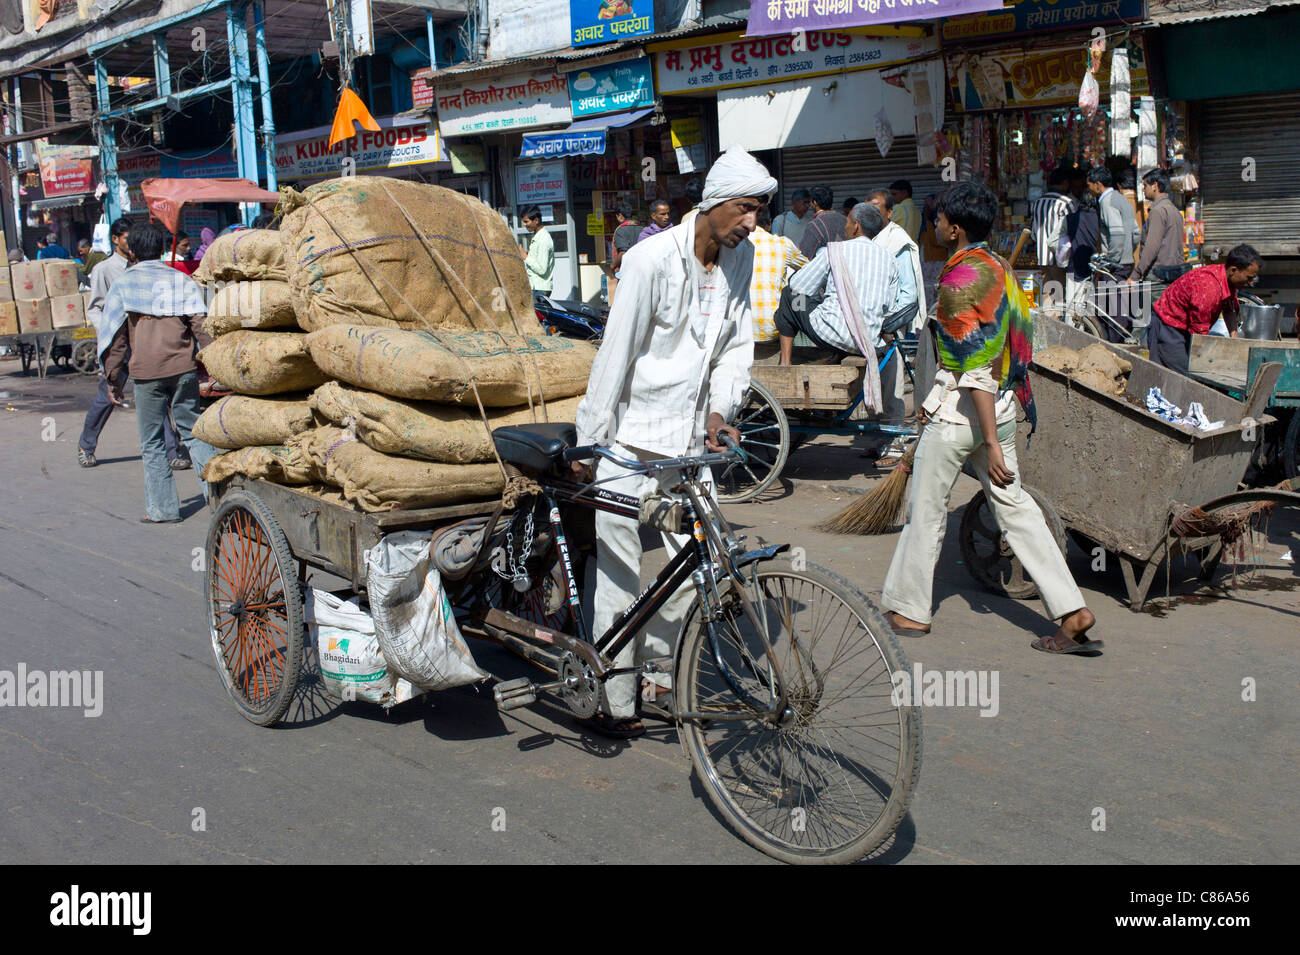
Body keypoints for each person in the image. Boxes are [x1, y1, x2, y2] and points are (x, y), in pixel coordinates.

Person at [573, 145, 776, 739]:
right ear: (713, 204)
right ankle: (613, 695)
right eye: (743, 209)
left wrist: (720, 411)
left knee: (695, 569)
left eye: (759, 211)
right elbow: (616, 358)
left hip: (688, 446)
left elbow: (737, 346)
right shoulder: (649, 262)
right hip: (629, 444)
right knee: (618, 569)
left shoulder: (744, 259)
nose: (751, 223)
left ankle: (661, 675)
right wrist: (591, 444)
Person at [880, 181, 1099, 654]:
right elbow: (1016, 342)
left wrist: (990, 443)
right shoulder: (998, 266)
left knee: (926, 510)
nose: (934, 225)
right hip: (997, 408)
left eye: (937, 219)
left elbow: (975, 368)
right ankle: (1071, 609)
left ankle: (912, 611)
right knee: (1016, 510)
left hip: (964, 417)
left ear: (954, 228)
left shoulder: (959, 282)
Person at [100, 222, 217, 523]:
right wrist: (215, 366)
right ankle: (218, 498)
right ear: (163, 247)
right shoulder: (181, 280)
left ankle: (163, 510)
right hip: (183, 369)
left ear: (134, 251)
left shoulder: (124, 284)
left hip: (145, 374)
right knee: (193, 432)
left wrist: (112, 378)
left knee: (152, 442)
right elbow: (201, 326)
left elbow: (115, 338)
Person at [78, 217, 189, 470]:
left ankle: (172, 451)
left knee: (155, 395)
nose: (132, 244)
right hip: (118, 342)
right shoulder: (104, 270)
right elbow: (95, 308)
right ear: (116, 240)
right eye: (127, 238)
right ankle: (86, 446)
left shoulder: (147, 267)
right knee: (106, 398)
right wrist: (108, 333)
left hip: (145, 340)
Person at [776, 202, 898, 366]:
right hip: (867, 340)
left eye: (847, 221)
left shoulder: (835, 250)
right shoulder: (889, 259)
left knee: (789, 295)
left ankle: (785, 363)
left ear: (856, 226)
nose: (844, 226)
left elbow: (799, 285)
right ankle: (836, 354)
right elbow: (888, 307)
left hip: (830, 334)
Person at [868, 189, 926, 456]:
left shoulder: (896, 242)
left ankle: (896, 444)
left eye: (877, 207)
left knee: (892, 388)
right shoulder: (871, 239)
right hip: (872, 326)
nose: (872, 212)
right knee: (875, 387)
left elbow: (908, 293)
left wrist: (889, 325)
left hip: (890, 327)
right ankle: (881, 438)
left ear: (890, 213)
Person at [1149, 245, 1261, 374]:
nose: (1250, 282)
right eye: (1248, 278)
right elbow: (1199, 336)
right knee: (1184, 375)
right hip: (1168, 325)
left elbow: (1229, 309)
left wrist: (1234, 338)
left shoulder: (1228, 280)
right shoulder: (1209, 288)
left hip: (1185, 328)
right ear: (1234, 270)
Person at [1088, 165, 1141, 341]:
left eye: (1089, 185)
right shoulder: (1121, 198)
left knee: (1111, 309)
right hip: (1125, 262)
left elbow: (1117, 234)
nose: (1089, 190)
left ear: (1097, 184)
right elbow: (1135, 233)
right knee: (1120, 306)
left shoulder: (1107, 201)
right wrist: (1128, 253)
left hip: (1114, 265)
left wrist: (1111, 260)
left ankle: (1116, 345)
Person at [748, 208, 808, 344]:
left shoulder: (736, 244)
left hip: (741, 328)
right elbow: (808, 269)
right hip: (773, 328)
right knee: (796, 280)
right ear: (769, 225)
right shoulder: (783, 244)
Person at [1032, 168, 1077, 306]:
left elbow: (1034, 231)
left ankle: (1046, 320)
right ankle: (1056, 322)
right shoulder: (1066, 202)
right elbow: (1072, 230)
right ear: (1065, 183)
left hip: (1042, 255)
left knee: (1048, 289)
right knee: (1060, 293)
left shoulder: (1038, 202)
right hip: (1060, 256)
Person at [798, 184, 847, 260]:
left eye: (810, 202)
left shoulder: (815, 225)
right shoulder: (846, 220)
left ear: (814, 203)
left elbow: (804, 257)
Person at [605, 203, 640, 302]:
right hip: (640, 271)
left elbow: (623, 252)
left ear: (619, 216)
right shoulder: (641, 228)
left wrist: (612, 266)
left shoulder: (620, 230)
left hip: (625, 272)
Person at [519, 205, 554, 294]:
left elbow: (542, 270)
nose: (524, 224)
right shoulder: (538, 236)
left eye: (526, 221)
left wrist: (526, 257)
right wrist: (529, 254)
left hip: (540, 289)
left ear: (536, 220)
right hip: (536, 287)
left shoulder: (543, 239)